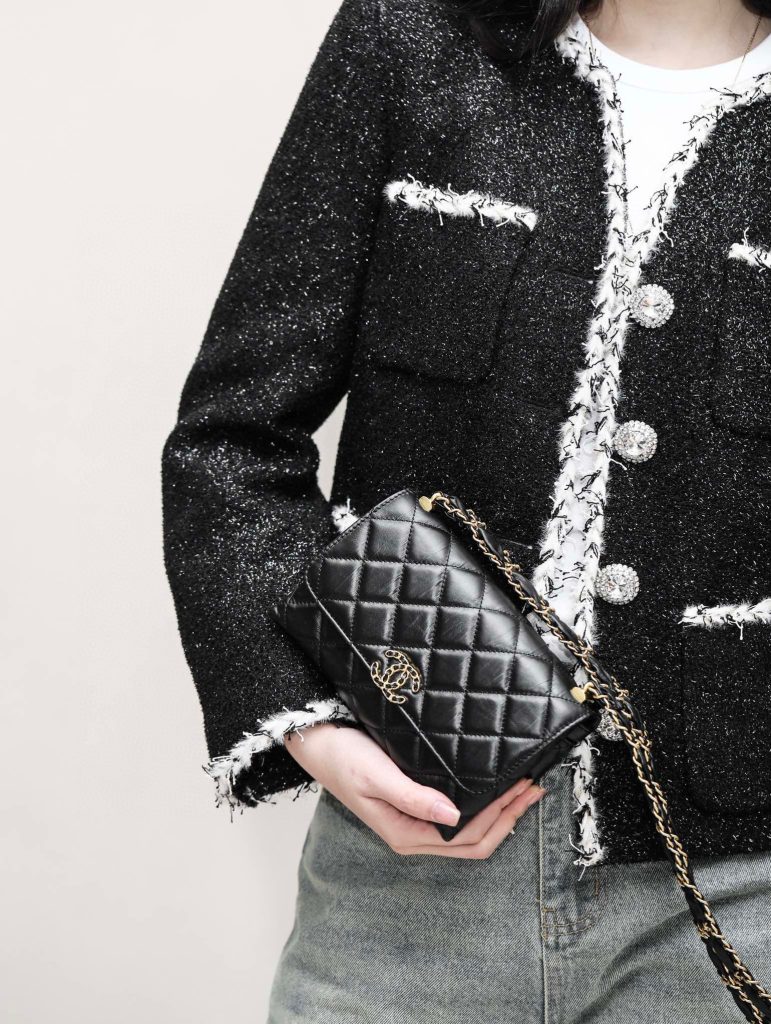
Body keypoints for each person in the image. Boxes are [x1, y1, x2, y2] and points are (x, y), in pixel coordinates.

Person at [161, 1, 771, 1020]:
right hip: (403, 876)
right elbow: (233, 438)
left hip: (738, 898)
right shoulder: (411, 36)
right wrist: (312, 724)